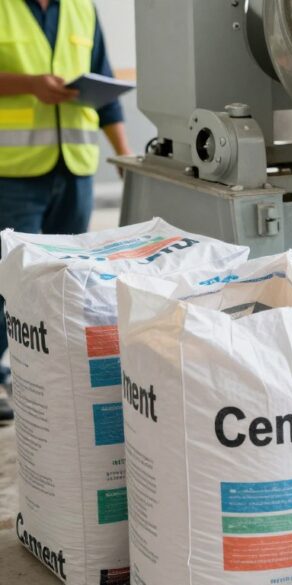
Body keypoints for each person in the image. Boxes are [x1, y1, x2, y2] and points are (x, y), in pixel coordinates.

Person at [0, 0, 132, 424]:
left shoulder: (81, 8)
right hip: (12, 172)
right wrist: (27, 84)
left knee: (67, 282)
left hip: (74, 170)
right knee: (7, 282)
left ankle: (51, 379)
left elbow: (105, 89)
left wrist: (126, 157)